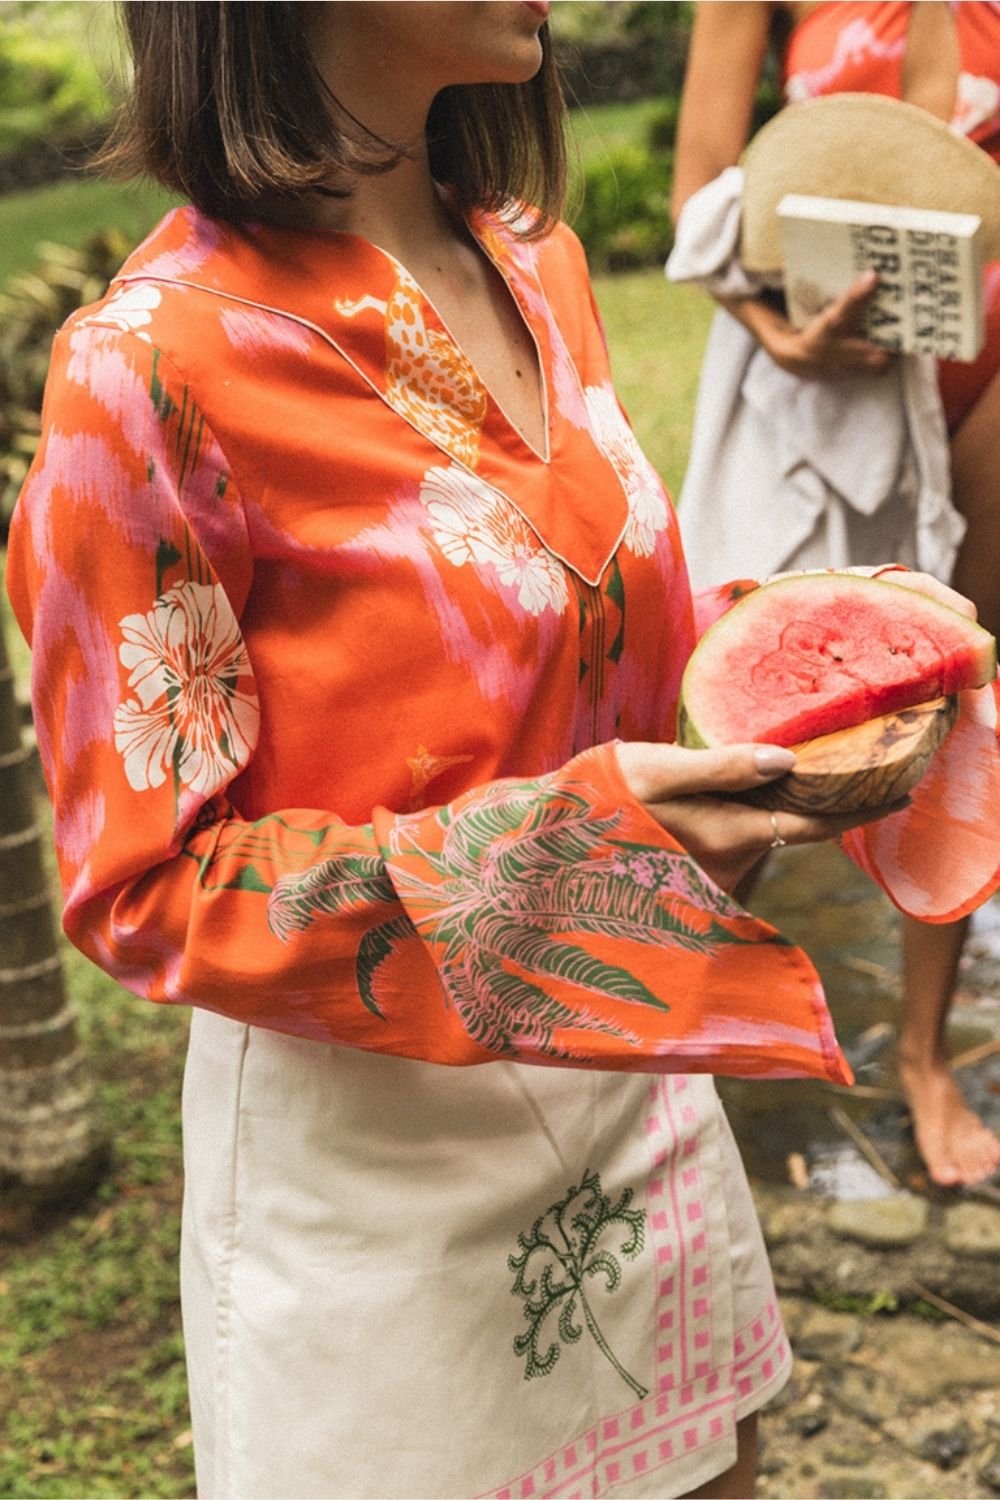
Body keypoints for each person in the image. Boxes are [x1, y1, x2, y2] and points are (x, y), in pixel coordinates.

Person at [4, 4, 990, 1497]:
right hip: (383, 1184)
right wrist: (574, 849)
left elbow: (568, 626)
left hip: (635, 1077)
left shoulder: (533, 256)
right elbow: (146, 887)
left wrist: (796, 633)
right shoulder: (148, 376)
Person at [670, 0, 1000, 1189]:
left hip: (988, 363)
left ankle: (919, 1057)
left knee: (956, 711)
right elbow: (701, 187)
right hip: (842, 371)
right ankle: (667, 1011)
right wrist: (774, 333)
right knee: (782, 717)